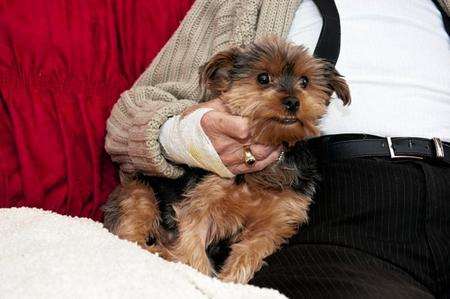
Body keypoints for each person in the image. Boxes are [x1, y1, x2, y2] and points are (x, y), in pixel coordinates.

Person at [105, 0, 450, 297]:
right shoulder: (239, 7)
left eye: (304, 83)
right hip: (345, 201)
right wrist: (190, 135)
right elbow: (131, 113)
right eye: (265, 81)